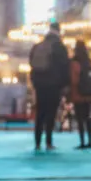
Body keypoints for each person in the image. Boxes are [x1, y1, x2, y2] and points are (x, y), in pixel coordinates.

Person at [29, 22, 70, 151]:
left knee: (40, 113)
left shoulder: (37, 46)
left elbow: (32, 64)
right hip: (54, 85)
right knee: (51, 114)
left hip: (40, 85)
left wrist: (35, 82)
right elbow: (65, 67)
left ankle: (37, 142)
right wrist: (65, 86)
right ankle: (48, 142)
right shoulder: (59, 47)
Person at [69, 40, 91, 149]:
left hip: (77, 94)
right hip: (88, 95)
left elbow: (73, 80)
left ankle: (82, 142)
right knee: (87, 118)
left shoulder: (75, 63)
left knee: (80, 119)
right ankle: (90, 142)